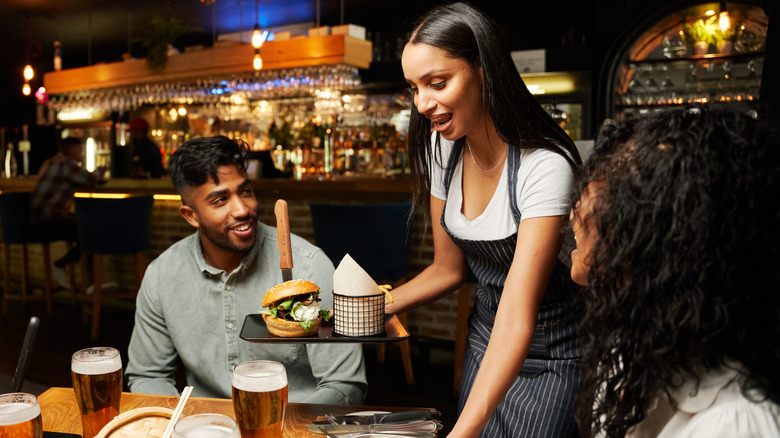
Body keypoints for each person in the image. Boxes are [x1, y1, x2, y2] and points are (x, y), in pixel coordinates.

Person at [386, 3, 582, 436]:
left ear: (484, 70)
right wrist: (370, 310)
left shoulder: (544, 166)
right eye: (414, 88)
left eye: (436, 83)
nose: (422, 104)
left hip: (551, 352)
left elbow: (518, 314)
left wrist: (462, 431)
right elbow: (447, 269)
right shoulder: (443, 149)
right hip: (485, 337)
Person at [569, 106, 780, 437]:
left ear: (658, 237)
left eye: (607, 194)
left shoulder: (733, 423)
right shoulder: (634, 338)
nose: (575, 212)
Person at [125, 135, 367, 404]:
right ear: (191, 216)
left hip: (295, 425)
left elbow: (344, 384)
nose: (242, 209)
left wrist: (287, 429)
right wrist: (181, 423)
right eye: (220, 200)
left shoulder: (309, 266)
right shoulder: (162, 275)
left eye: (245, 191)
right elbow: (148, 376)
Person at [30, 136, 106, 289]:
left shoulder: (48, 162)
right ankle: (78, 276)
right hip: (47, 221)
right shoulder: (67, 165)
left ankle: (88, 284)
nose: (82, 154)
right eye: (79, 151)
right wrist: (100, 172)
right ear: (72, 151)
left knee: (87, 231)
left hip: (35, 220)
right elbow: (89, 179)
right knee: (91, 233)